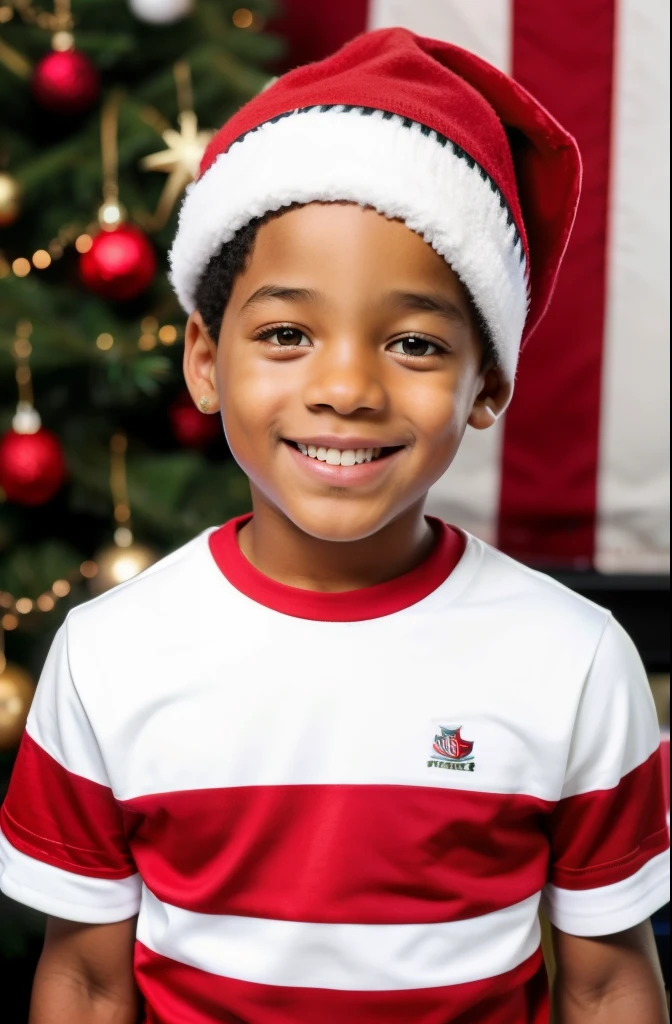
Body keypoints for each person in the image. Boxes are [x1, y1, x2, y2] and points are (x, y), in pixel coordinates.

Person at [0, 27, 669, 1024]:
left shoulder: (574, 661)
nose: (347, 388)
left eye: (411, 342)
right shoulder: (109, 655)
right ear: (204, 360)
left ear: (486, 383)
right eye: (285, 335)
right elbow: (88, 981)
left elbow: (610, 981)